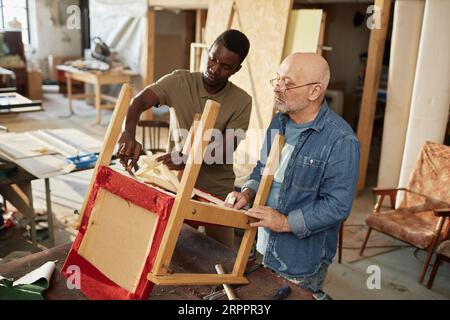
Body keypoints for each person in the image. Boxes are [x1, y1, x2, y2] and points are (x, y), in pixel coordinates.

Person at [225, 52, 360, 295]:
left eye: (287, 83)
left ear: (314, 91)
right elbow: (261, 169)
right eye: (277, 79)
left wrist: (285, 222)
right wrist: (247, 192)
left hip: (300, 260)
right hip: (262, 243)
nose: (277, 87)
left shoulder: (341, 140)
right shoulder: (279, 122)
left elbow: (337, 206)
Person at [117, 29, 252, 247]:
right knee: (168, 249)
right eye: (212, 58)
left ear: (236, 69)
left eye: (225, 66)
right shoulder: (179, 81)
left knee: (222, 257)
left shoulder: (241, 101)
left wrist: (189, 157)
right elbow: (138, 103)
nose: (214, 69)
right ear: (207, 52)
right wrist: (129, 133)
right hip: (174, 182)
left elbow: (225, 151)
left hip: (215, 189)